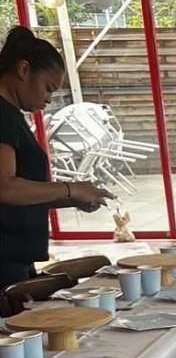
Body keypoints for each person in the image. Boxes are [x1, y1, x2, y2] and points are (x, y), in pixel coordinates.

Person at [0, 26, 113, 288]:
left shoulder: (12, 115)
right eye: (48, 88)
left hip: (16, 257)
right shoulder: (3, 116)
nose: (49, 99)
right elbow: (5, 187)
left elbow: (21, 196)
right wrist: (71, 188)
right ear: (23, 70)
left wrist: (72, 198)